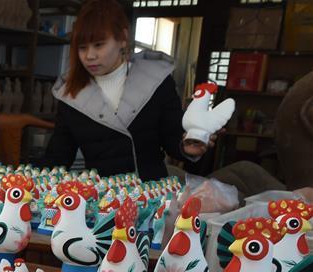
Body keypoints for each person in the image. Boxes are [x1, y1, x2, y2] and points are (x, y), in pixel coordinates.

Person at [40, 0, 219, 181]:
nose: (89, 56)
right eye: (82, 48)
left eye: (99, 45)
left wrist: (187, 147)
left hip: (151, 189)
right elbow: (58, 157)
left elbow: (172, 137)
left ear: (123, 39)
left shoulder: (155, 80)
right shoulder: (72, 95)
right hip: (100, 194)